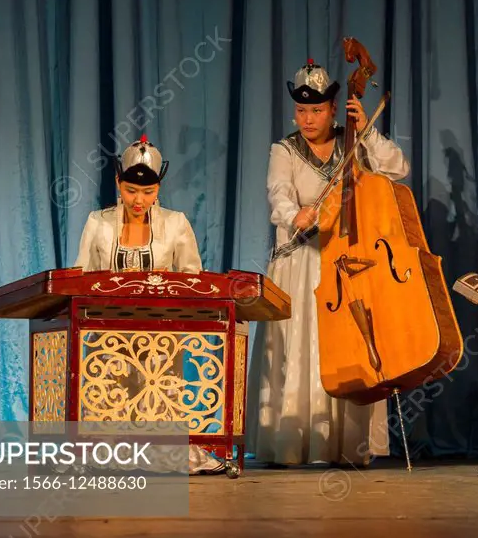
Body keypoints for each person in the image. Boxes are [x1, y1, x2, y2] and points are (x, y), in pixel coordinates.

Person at [248, 58, 410, 466]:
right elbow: (279, 192)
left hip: (347, 263)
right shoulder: (283, 149)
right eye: (301, 110)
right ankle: (293, 442)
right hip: (302, 259)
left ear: (334, 108)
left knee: (347, 342)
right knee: (301, 345)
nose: (307, 117)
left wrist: (368, 132)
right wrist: (294, 215)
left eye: (317, 110)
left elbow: (397, 170)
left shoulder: (352, 141)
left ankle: (346, 443)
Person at [74, 134, 227, 475]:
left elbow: (194, 280)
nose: (139, 200)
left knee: (157, 399)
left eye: (148, 192)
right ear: (118, 183)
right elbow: (81, 279)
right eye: (131, 191)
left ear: (159, 188)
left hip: (160, 338)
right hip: (108, 339)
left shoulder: (175, 223)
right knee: (111, 401)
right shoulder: (97, 223)